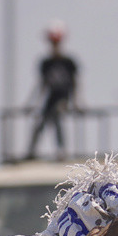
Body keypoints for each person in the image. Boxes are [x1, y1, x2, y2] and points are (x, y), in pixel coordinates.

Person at [25, 21, 79, 160]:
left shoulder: (68, 62)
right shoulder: (46, 63)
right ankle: (31, 151)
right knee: (41, 121)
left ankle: (61, 150)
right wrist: (31, 102)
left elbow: (75, 84)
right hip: (50, 98)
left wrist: (76, 102)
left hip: (63, 98)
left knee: (57, 115)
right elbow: (41, 85)